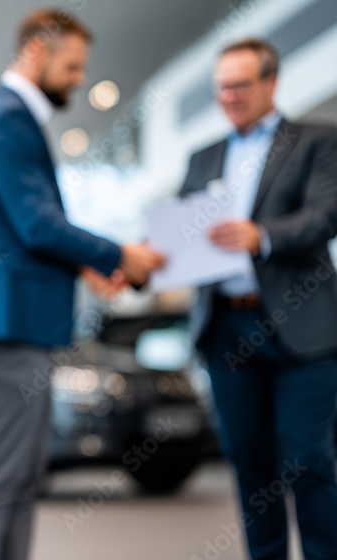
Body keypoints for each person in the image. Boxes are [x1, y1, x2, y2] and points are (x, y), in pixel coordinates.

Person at [0, 9, 164, 560]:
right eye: (72, 66)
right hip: (10, 326)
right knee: (2, 477)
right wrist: (119, 255)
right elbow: (38, 223)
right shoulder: (9, 119)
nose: (78, 78)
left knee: (16, 475)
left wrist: (77, 265)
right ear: (37, 51)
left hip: (3, 320)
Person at [179, 38, 337, 560]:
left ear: (271, 82)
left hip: (302, 330)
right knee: (250, 463)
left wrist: (261, 236)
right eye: (221, 87)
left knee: (308, 460)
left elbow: (325, 216)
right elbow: (181, 236)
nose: (228, 96)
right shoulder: (203, 158)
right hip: (226, 331)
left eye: (240, 85)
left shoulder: (318, 141)